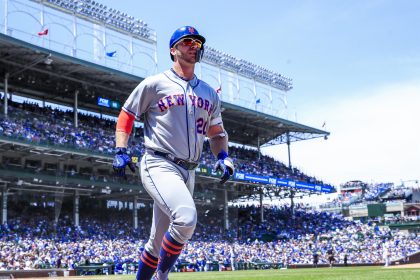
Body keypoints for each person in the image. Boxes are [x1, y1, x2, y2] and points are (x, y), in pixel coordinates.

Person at [112, 25, 234, 280]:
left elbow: (217, 133)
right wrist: (120, 149)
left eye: (197, 43)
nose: (194, 46)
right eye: (187, 41)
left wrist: (223, 157)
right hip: (159, 163)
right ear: (173, 50)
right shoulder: (155, 84)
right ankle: (161, 276)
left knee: (156, 243)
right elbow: (127, 114)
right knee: (186, 218)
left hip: (188, 172)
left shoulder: (209, 93)